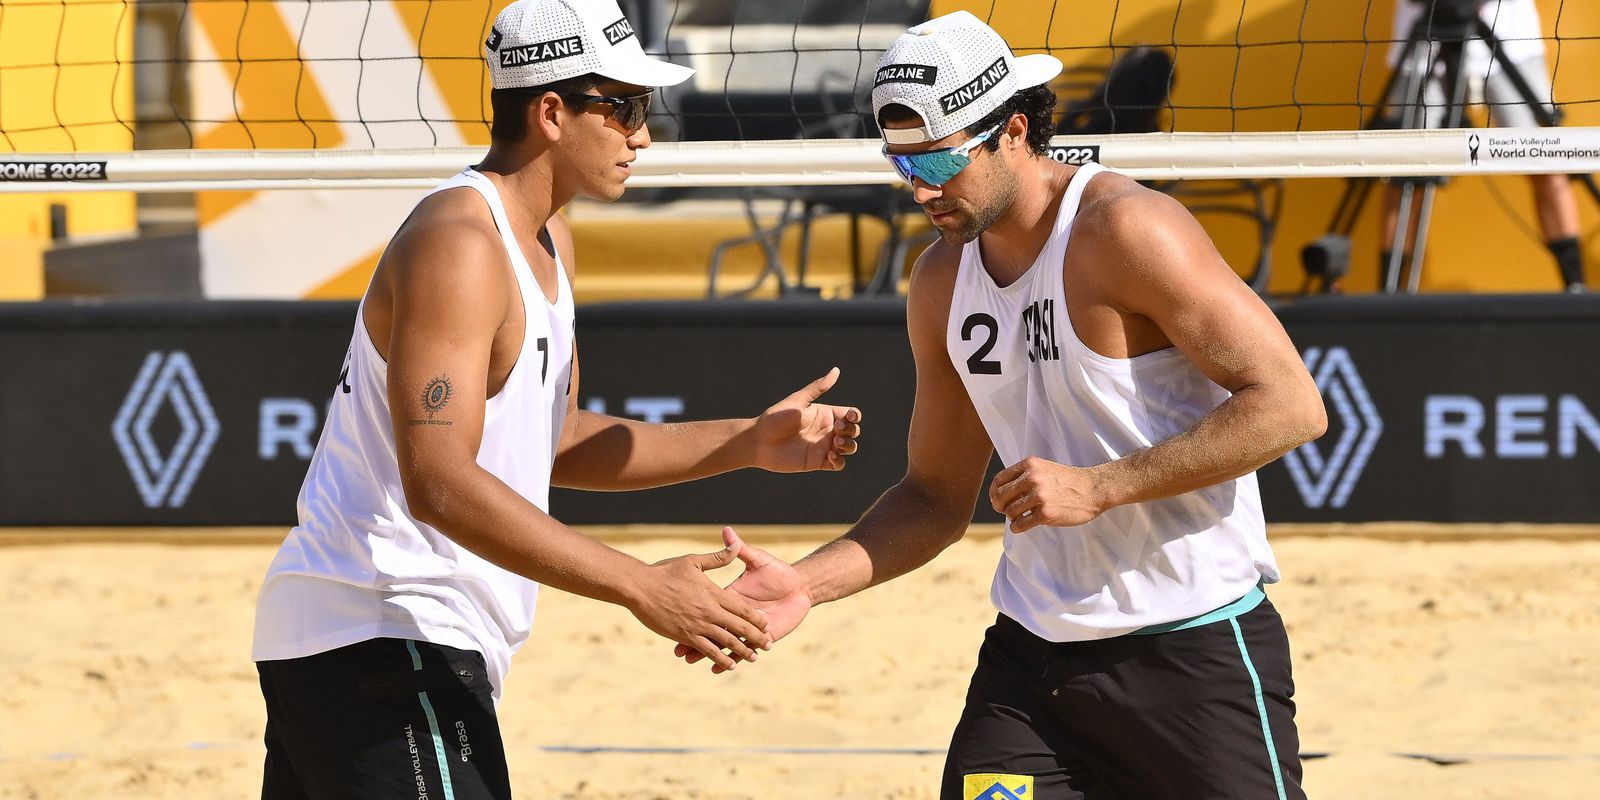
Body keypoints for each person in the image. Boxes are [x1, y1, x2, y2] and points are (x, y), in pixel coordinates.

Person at [679, 10, 1327, 799]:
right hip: (1032, 664)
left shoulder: (1126, 230)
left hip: (1191, 648)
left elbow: (1292, 405)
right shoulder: (941, 280)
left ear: (1013, 131)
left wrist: (1101, 486)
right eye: (902, 163)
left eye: (939, 160)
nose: (920, 188)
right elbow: (934, 497)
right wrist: (806, 584)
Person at [249, 0, 863, 797]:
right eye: (625, 108)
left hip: (390, 643)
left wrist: (743, 441)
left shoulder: (548, 239)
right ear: (550, 113)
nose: (643, 134)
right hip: (379, 632)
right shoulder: (460, 242)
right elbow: (437, 480)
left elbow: (557, 438)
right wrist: (641, 585)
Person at [1382, 0, 1587, 291]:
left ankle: (1576, 288)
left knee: (1546, 161)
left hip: (1512, 40)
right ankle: (1389, 297)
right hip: (1423, 43)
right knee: (1404, 174)